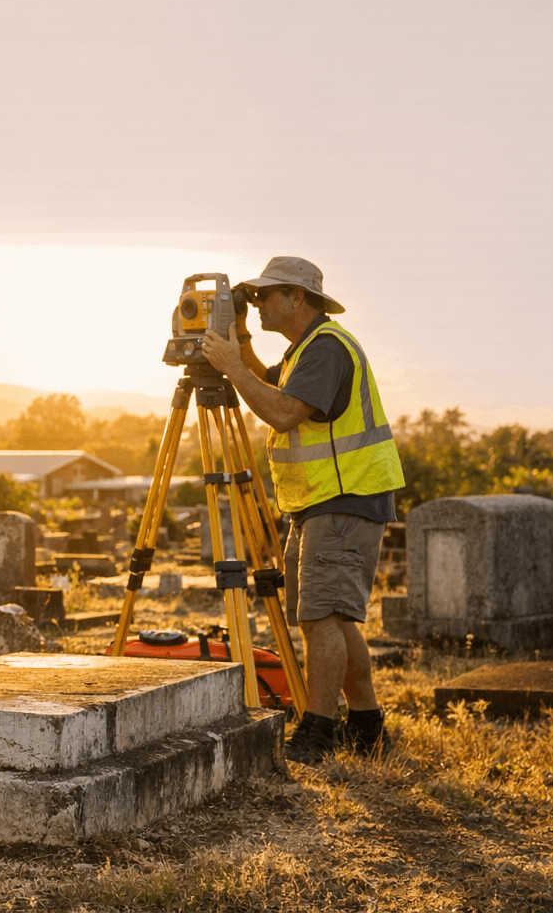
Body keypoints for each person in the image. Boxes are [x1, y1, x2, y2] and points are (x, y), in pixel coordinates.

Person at [200, 257, 404, 764]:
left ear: (299, 298)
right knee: (331, 616)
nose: (259, 303)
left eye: (266, 296)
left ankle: (319, 729)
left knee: (321, 616)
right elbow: (269, 383)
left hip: (344, 498)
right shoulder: (303, 352)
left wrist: (229, 366)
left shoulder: (327, 349)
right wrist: (240, 340)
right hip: (322, 500)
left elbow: (282, 410)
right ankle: (366, 723)